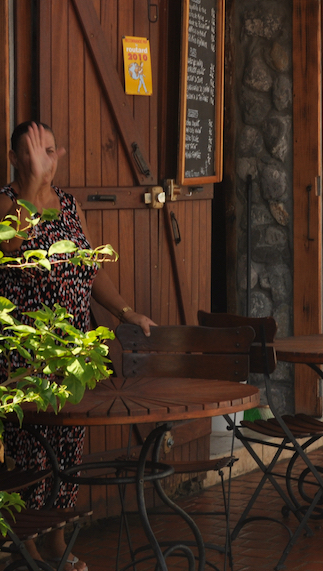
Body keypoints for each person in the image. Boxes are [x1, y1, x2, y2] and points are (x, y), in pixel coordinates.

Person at [0, 122, 155, 571]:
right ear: (16, 158)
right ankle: (25, 549)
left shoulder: (68, 205)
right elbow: (14, 246)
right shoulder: (8, 202)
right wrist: (30, 183)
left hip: (72, 357)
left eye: (50, 150)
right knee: (28, 449)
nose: (47, 160)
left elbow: (89, 269)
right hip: (22, 356)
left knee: (67, 447)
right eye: (34, 152)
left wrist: (126, 312)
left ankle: (54, 542)